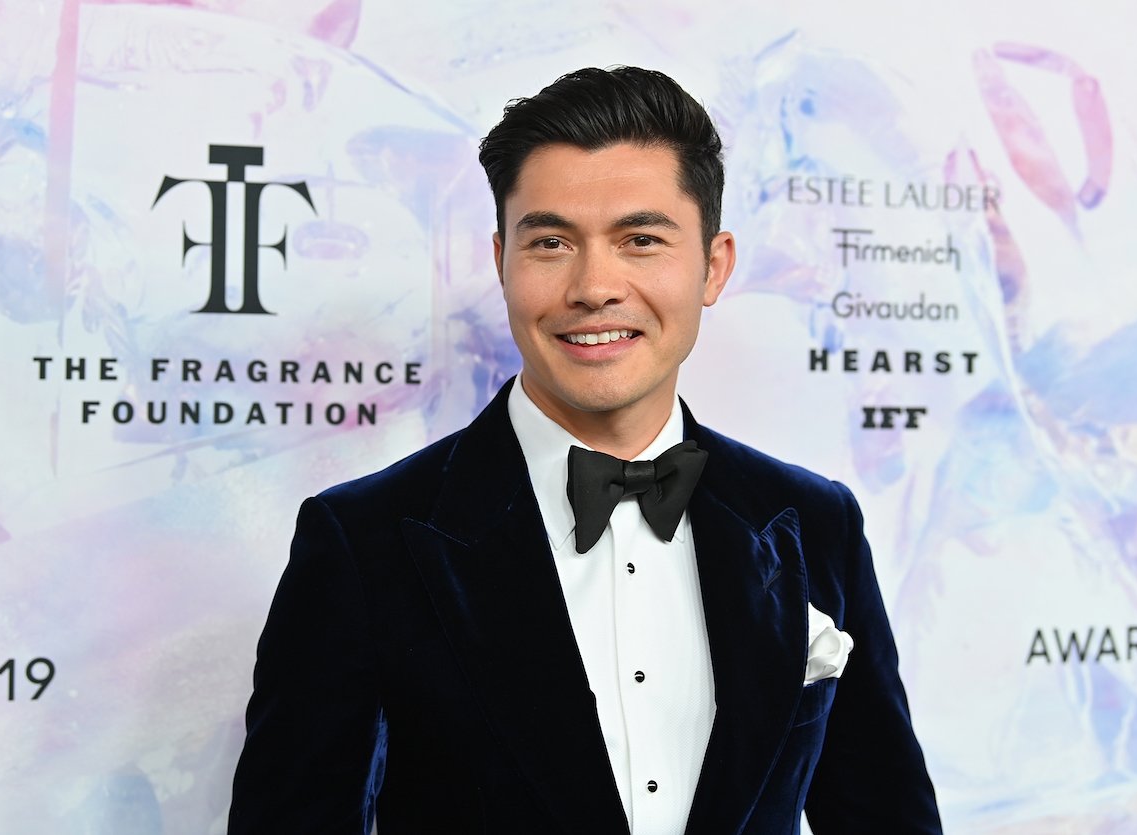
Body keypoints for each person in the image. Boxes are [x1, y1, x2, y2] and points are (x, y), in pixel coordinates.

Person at [228, 66, 942, 834]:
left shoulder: (814, 521)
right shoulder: (363, 542)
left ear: (714, 265)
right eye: (551, 242)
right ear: (501, 260)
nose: (594, 286)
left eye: (641, 240)